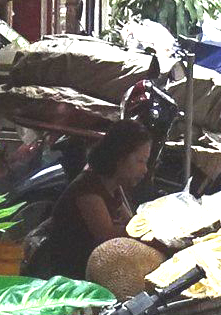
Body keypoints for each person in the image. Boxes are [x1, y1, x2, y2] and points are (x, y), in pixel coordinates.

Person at [27, 120, 153, 280]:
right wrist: (147, 230)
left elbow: (131, 222)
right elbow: (107, 236)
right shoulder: (87, 188)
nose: (145, 169)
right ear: (120, 157)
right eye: (140, 161)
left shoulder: (113, 186)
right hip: (70, 278)